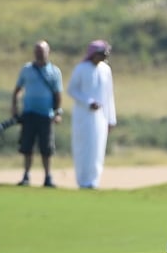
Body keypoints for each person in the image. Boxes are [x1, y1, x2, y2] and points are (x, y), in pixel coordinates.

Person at [12, 40, 63, 188]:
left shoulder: (54, 71)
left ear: (48, 52)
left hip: (46, 115)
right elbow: (17, 90)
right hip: (29, 113)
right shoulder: (27, 69)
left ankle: (48, 176)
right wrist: (15, 108)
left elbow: (58, 94)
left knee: (46, 148)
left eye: (42, 51)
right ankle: (26, 175)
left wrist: (57, 112)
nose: (39, 54)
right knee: (27, 146)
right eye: (37, 51)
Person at [67, 40, 116, 189]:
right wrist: (88, 102)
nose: (104, 57)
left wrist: (111, 119)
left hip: (101, 117)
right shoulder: (81, 69)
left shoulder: (106, 70)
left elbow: (109, 96)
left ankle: (94, 181)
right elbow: (72, 90)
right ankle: (82, 181)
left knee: (98, 149)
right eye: (102, 54)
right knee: (83, 148)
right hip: (83, 116)